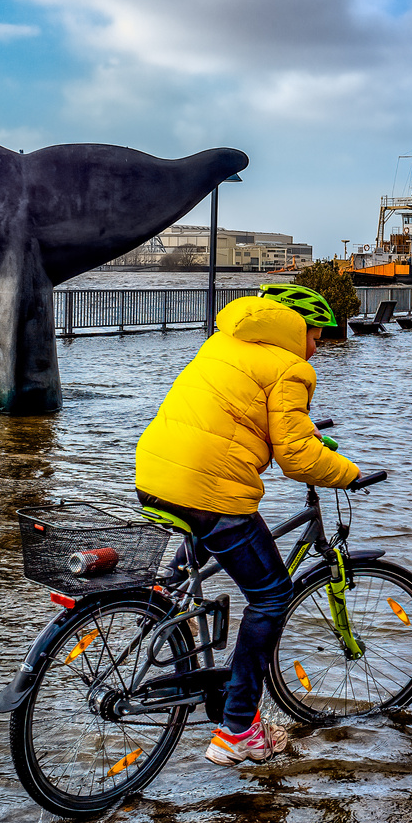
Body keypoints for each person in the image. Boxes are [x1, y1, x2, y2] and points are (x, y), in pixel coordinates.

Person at [134, 284, 362, 764]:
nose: (319, 345)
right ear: (298, 329)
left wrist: (304, 431)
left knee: (210, 525)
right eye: (318, 335)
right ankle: (238, 729)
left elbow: (233, 412)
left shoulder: (222, 344)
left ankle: (166, 594)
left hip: (156, 473)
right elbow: (297, 458)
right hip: (208, 490)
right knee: (272, 594)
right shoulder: (291, 368)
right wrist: (350, 475)